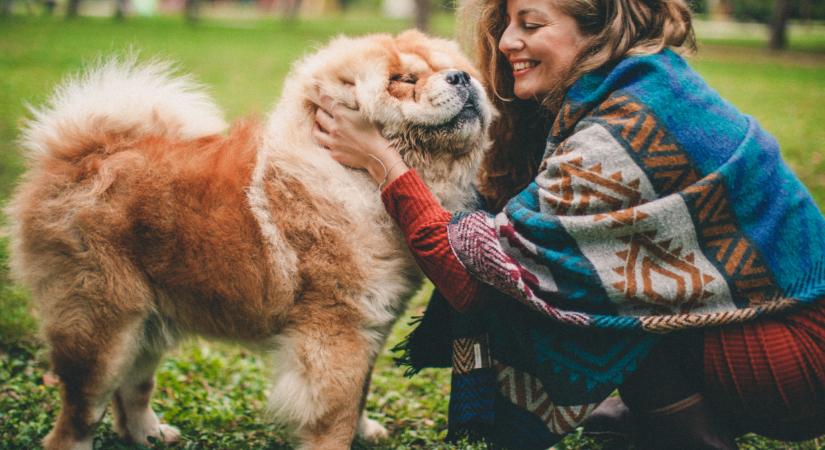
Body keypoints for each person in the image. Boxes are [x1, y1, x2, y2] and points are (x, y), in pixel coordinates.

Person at [312, 0, 825, 448]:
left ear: (598, 30)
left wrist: (383, 163)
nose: (506, 41)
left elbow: (477, 281)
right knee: (573, 264)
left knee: (547, 280)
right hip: (785, 343)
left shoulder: (621, 132)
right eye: (507, 22)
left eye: (531, 24)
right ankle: (659, 409)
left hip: (793, 362)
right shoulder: (649, 81)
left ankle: (693, 435)